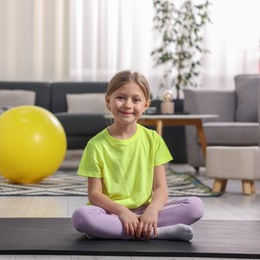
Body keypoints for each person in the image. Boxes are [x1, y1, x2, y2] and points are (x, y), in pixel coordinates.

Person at [71, 70, 204, 241]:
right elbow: (94, 194)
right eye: (120, 98)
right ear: (107, 101)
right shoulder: (95, 145)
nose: (127, 105)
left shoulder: (153, 139)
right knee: (81, 217)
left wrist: (152, 210)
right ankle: (158, 233)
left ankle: (124, 230)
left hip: (145, 209)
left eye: (136, 100)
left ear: (146, 105)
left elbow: (161, 188)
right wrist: (122, 211)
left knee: (195, 206)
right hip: (112, 212)